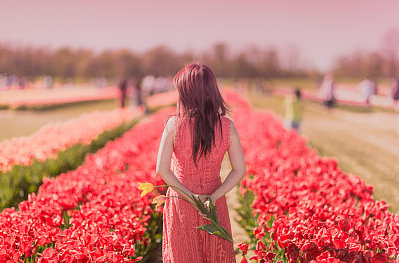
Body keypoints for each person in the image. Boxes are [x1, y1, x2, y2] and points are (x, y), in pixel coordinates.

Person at [156, 62, 246, 262]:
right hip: (213, 203)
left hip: (182, 201)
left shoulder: (174, 125)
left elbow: (162, 169)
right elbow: (239, 170)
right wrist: (212, 198)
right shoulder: (226, 126)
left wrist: (191, 197)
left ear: (187, 94)